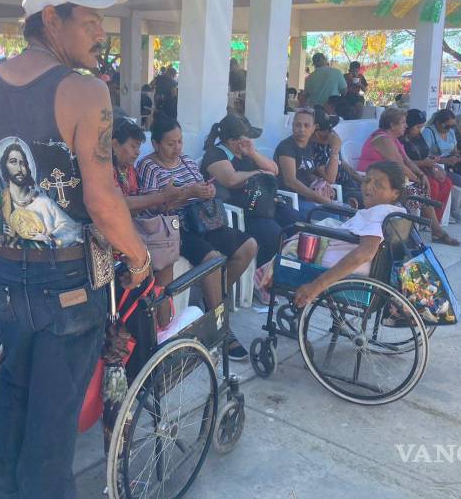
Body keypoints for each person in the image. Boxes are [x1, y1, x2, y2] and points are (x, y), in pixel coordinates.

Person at [0, 0, 152, 498]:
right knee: (52, 430)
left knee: (16, 404)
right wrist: (138, 262)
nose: (101, 32)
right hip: (66, 285)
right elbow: (103, 200)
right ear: (51, 19)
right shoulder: (83, 91)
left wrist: (9, 245)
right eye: (90, 19)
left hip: (2, 274)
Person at [137, 116, 255, 360]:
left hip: (203, 220)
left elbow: (202, 187)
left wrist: (207, 191)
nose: (177, 147)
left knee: (248, 246)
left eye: (180, 141)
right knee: (211, 260)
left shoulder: (187, 161)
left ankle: (212, 303)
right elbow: (150, 210)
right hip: (175, 227)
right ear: (156, 144)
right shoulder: (148, 166)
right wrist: (186, 193)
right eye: (171, 144)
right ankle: (219, 324)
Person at [294, 160, 406, 308]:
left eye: (378, 184)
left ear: (395, 193)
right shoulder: (397, 212)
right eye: (367, 180)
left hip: (339, 266)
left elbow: (365, 253)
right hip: (366, 269)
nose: (369, 186)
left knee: (288, 250)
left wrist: (316, 286)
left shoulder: (378, 213)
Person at [200, 113, 301, 267]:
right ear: (233, 141)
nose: (251, 141)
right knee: (274, 235)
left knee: (297, 222)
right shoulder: (215, 154)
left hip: (263, 205)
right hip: (242, 212)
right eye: (247, 137)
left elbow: (274, 170)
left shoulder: (246, 152)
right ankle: (262, 276)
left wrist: (253, 153)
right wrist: (257, 173)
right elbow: (231, 179)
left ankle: (287, 270)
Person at [111, 117, 184, 328]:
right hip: (116, 239)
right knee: (153, 259)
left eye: (138, 147)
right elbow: (120, 205)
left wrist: (165, 203)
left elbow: (142, 202)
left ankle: (163, 326)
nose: (136, 152)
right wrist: (161, 196)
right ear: (114, 144)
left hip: (137, 231)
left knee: (167, 258)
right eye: (133, 146)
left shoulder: (130, 170)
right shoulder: (106, 171)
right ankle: (152, 327)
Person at [357, 107, 459, 246]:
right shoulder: (382, 139)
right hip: (373, 180)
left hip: (388, 178)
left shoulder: (394, 139)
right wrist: (418, 180)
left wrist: (422, 175)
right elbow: (399, 165)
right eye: (403, 122)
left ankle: (435, 231)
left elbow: (407, 161)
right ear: (392, 125)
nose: (406, 125)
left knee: (420, 190)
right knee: (415, 192)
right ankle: (425, 233)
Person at [274, 108, 337, 213]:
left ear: (314, 128)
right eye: (298, 125)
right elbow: (291, 182)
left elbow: (307, 173)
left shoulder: (308, 147)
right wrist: (320, 199)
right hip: (290, 201)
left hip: (307, 198)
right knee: (334, 214)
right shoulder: (286, 147)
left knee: (345, 210)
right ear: (293, 125)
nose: (302, 129)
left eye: (306, 125)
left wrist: (324, 186)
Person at [421, 109, 461, 224]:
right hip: (437, 166)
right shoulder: (429, 132)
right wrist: (446, 160)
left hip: (451, 164)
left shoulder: (451, 132)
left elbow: (454, 150)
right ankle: (454, 210)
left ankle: (452, 207)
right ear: (438, 123)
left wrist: (458, 157)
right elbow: (425, 155)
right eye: (447, 126)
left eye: (452, 126)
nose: (450, 128)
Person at [310, 107, 362, 205]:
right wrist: (335, 150)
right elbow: (330, 179)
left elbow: (344, 165)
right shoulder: (312, 150)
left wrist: (363, 180)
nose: (332, 132)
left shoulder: (328, 144)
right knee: (371, 200)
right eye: (329, 129)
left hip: (351, 184)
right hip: (337, 190)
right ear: (316, 133)